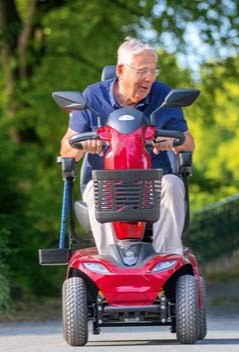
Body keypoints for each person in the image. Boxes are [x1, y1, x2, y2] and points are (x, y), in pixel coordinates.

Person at [59, 37, 194, 255]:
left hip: (154, 182)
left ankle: (167, 261)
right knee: (96, 190)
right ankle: (111, 260)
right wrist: (83, 144)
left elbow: (189, 144)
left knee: (172, 184)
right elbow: (66, 148)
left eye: (153, 71)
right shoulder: (93, 96)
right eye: (142, 71)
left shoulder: (163, 96)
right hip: (105, 182)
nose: (149, 78)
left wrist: (173, 141)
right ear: (121, 70)